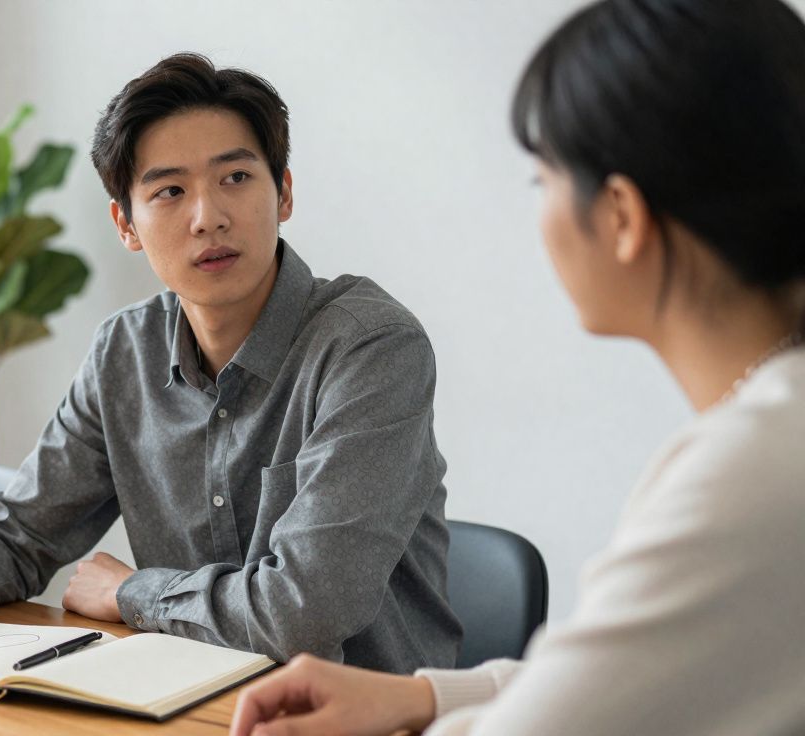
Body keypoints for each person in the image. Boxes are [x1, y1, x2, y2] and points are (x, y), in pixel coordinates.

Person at [0, 53, 461, 672]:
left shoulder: (370, 346)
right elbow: (19, 534)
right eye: (169, 192)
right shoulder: (123, 353)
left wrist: (132, 591)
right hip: (180, 700)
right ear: (126, 225)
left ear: (283, 192)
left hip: (361, 716)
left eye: (235, 177)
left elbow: (304, 614)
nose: (208, 216)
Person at [229, 0, 805, 734]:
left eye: (544, 179)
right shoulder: (771, 423)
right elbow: (627, 672)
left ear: (621, 216)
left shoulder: (747, 470)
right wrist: (424, 698)